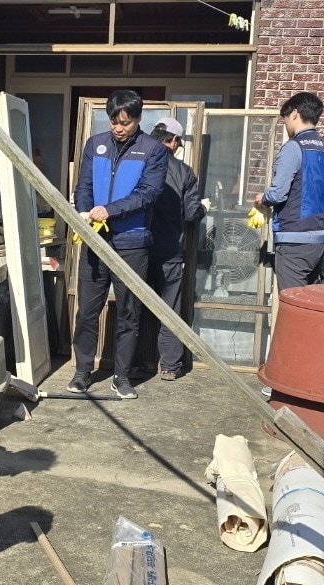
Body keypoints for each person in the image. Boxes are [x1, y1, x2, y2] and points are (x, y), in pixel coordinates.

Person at [69, 89, 168, 400]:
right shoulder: (95, 144)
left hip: (132, 241)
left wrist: (110, 210)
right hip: (95, 240)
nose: (119, 127)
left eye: (125, 122)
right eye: (114, 121)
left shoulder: (153, 150)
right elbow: (83, 185)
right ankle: (83, 371)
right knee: (87, 310)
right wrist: (85, 214)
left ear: (138, 119)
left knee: (129, 312)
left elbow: (148, 192)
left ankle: (121, 377)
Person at [254, 91, 324, 295]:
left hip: (294, 239)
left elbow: (277, 194)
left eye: (285, 119)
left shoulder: (293, 148)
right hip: (319, 240)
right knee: (309, 304)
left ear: (294, 114)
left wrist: (263, 198)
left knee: (293, 304)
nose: (286, 125)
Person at [148, 119, 209, 382]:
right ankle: (170, 366)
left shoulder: (137, 163)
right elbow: (193, 212)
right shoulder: (184, 172)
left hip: (136, 248)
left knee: (134, 308)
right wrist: (205, 207)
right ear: (173, 142)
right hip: (170, 250)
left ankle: (135, 364)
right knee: (169, 309)